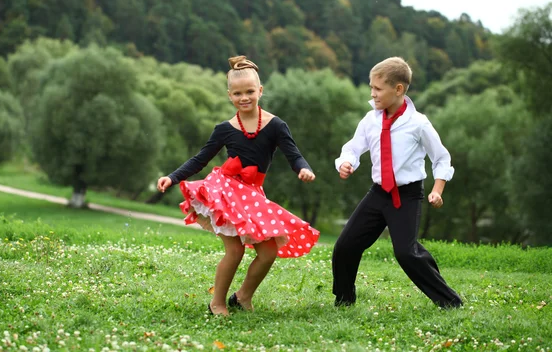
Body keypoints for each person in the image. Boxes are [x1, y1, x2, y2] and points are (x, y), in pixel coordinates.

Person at [157, 55, 320, 316]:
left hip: (253, 196)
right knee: (234, 250)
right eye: (237, 93)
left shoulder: (276, 125)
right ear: (229, 95)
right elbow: (200, 159)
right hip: (225, 191)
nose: (244, 97)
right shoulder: (224, 128)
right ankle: (217, 303)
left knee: (268, 252)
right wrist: (173, 177)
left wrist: (303, 168)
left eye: (250, 92)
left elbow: (294, 154)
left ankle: (242, 297)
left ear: (260, 91)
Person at [332, 56, 462, 309]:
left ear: (398, 89)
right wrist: (346, 162)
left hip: (408, 195)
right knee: (345, 245)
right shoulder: (370, 120)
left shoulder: (418, 123)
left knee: (406, 253)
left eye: (378, 88)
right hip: (378, 194)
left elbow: (441, 158)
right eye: (371, 87)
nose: (372, 93)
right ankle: (344, 299)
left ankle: (450, 301)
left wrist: (437, 190)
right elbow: (353, 148)